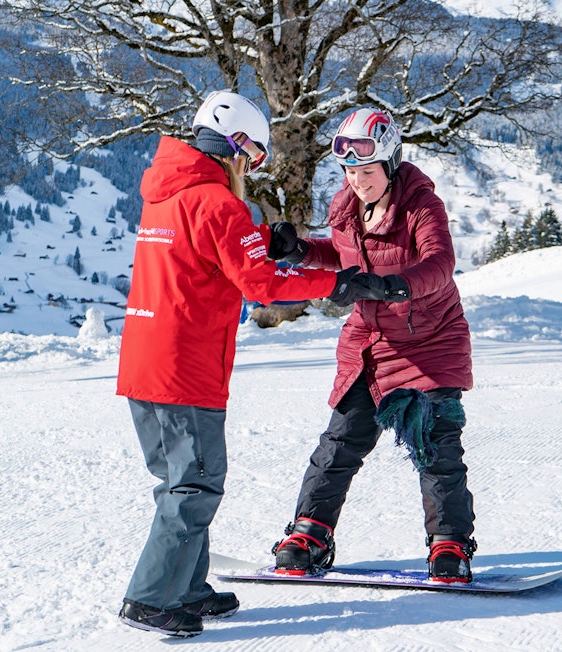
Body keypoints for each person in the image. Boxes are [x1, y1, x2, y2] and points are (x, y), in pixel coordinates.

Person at [114, 90, 364, 638]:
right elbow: (261, 285)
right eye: (251, 159)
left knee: (176, 480)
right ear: (237, 146)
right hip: (186, 366)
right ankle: (150, 598)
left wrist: (261, 242)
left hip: (143, 363)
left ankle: (187, 587)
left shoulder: (165, 194)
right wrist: (337, 282)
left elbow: (210, 258)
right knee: (196, 485)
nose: (250, 170)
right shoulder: (218, 202)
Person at [267, 107, 477, 583]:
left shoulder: (422, 206)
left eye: (366, 171)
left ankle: (449, 544)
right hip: (369, 343)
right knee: (341, 440)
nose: (357, 181)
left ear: (390, 164)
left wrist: (390, 286)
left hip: (428, 343)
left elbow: (441, 262)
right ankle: (310, 533)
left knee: (435, 445)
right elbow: (338, 253)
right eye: (350, 172)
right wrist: (300, 250)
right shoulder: (348, 206)